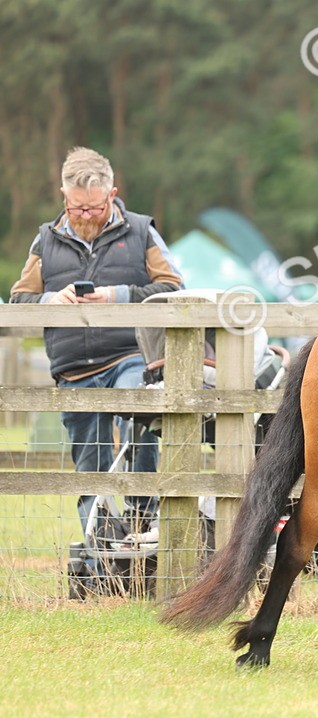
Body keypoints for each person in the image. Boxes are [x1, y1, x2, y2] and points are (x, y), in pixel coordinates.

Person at [9, 147, 182, 534]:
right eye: (77, 208)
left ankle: (143, 524)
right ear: (63, 196)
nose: (85, 215)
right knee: (91, 465)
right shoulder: (44, 240)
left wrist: (116, 296)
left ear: (112, 194)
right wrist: (50, 300)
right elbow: (19, 298)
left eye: (94, 207)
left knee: (138, 414)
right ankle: (98, 548)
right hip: (73, 368)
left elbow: (173, 288)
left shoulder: (142, 232)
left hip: (130, 356)